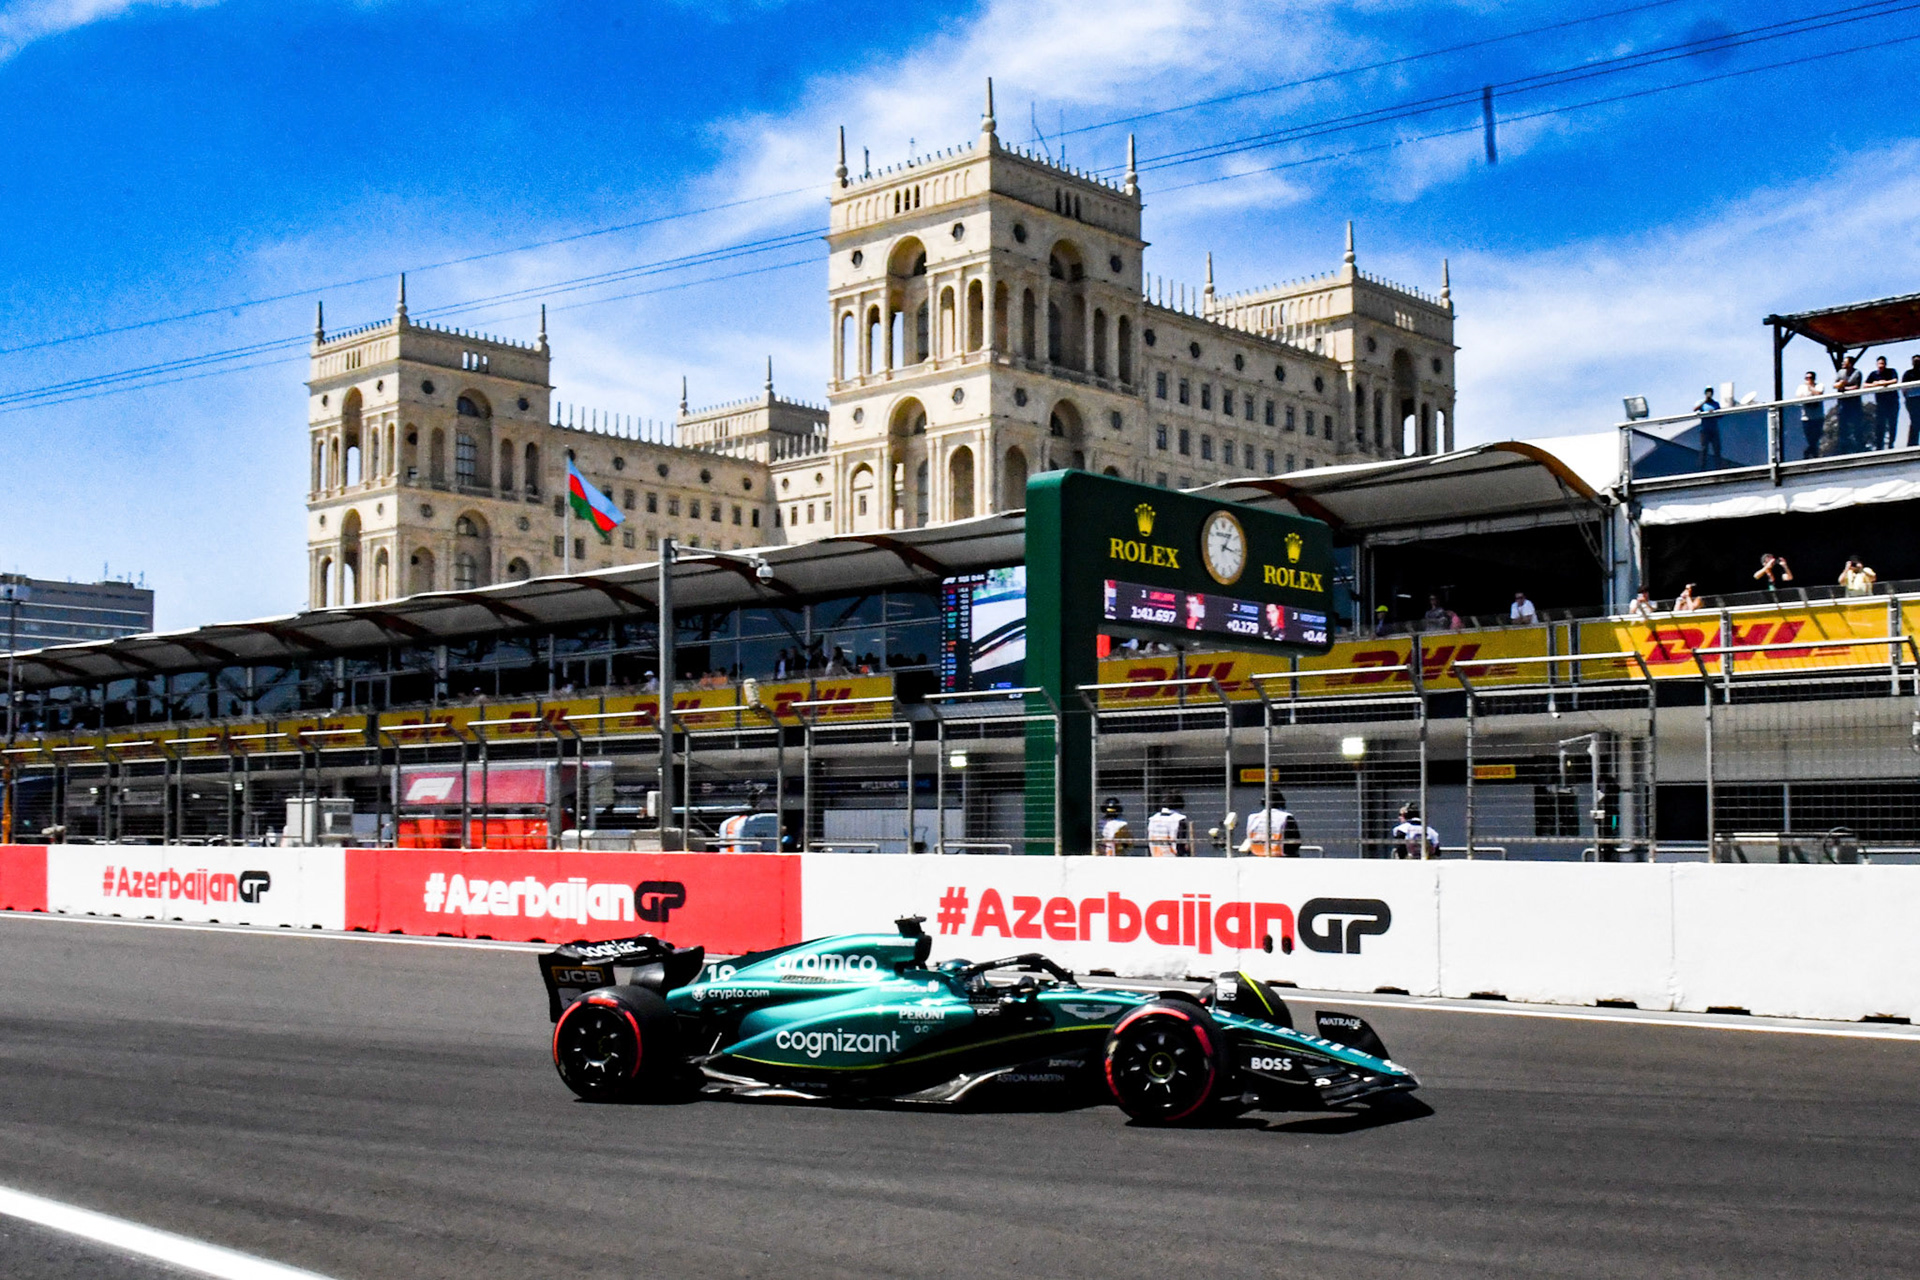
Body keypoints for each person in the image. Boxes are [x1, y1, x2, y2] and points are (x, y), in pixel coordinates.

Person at [1239, 791, 1303, 857]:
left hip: (1257, 853)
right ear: (1282, 802)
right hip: (1280, 854)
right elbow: (1296, 841)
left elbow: (1249, 837)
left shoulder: (1252, 818)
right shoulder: (1286, 817)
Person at [1865, 356, 1902, 449]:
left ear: (1885, 364)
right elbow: (1865, 385)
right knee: (1880, 424)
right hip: (1881, 404)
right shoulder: (1873, 374)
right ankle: (1879, 446)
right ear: (1876, 364)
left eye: (1882, 364)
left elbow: (1895, 380)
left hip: (1892, 402)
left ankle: (1891, 445)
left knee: (1892, 424)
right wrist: (1875, 384)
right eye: (1879, 364)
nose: (1881, 366)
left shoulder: (1891, 371)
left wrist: (1883, 383)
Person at [1833, 356, 1865, 453]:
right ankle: (1844, 448)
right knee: (1843, 426)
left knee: (1857, 426)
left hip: (1855, 404)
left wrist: (1843, 387)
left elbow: (1856, 387)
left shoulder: (1857, 373)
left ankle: (1859, 448)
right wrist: (1840, 385)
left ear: (1850, 363)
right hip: (1843, 403)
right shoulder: (1840, 372)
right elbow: (1835, 385)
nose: (1843, 363)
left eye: (1845, 362)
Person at [1145, 793, 1191, 857]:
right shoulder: (1179, 819)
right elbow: (1180, 843)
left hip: (1156, 856)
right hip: (1174, 859)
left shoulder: (1153, 819)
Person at [1793, 371, 1826, 459]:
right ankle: (1812, 454)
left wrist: (1810, 387)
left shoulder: (1819, 385)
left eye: (1810, 378)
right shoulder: (1801, 387)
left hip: (1818, 417)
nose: (1808, 380)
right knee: (1809, 439)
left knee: (1816, 438)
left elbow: (1819, 393)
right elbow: (1799, 397)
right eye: (1806, 378)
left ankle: (1812, 454)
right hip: (1806, 418)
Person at [1694, 387, 1723, 467]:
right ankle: (1702, 467)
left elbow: (1721, 415)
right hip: (1704, 430)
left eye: (1710, 392)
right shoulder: (1701, 402)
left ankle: (1718, 467)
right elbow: (1695, 409)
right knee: (1704, 449)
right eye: (1707, 392)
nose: (1709, 393)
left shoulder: (1715, 404)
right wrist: (1704, 401)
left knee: (1717, 449)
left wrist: (1714, 413)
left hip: (1714, 430)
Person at [1904, 355, 1920, 448]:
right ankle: (1912, 444)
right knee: (1915, 421)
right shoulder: (1908, 373)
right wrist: (1907, 400)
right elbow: (1904, 389)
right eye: (1915, 361)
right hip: (1912, 401)